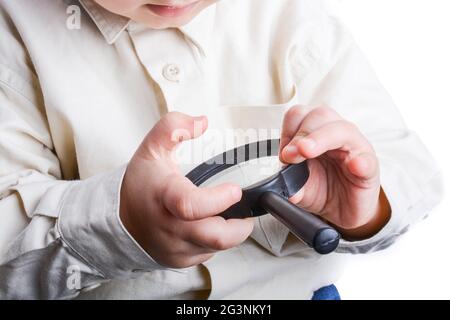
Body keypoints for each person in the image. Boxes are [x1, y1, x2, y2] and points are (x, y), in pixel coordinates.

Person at [0, 0, 443, 299]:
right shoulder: (13, 33)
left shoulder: (290, 17)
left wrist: (365, 210)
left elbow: (409, 166)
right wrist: (119, 227)